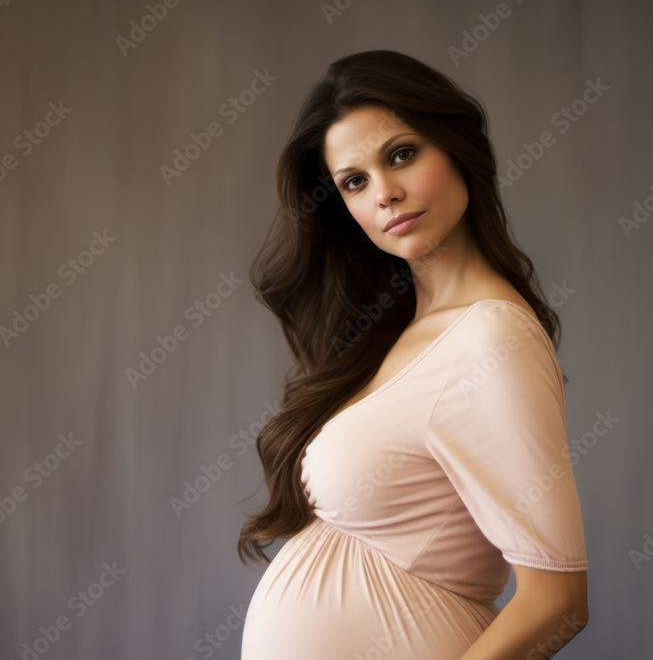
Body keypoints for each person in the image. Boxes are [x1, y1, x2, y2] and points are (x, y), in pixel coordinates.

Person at [237, 49, 589, 659]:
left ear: (456, 146)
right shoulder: (396, 333)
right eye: (355, 181)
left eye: (401, 155)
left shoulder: (492, 337)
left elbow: (558, 599)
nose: (386, 193)